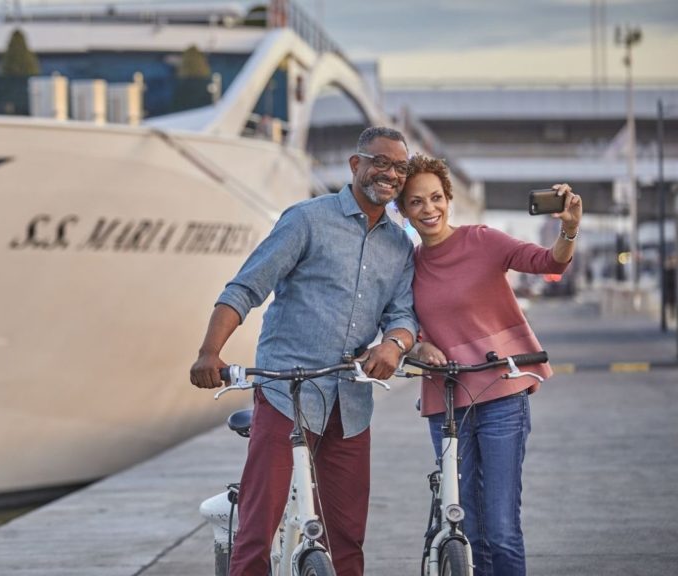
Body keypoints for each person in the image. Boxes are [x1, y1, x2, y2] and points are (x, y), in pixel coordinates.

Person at [189, 126, 418, 576]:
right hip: (285, 395)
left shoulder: (399, 245)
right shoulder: (306, 219)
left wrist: (394, 344)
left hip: (351, 402)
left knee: (348, 538)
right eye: (380, 162)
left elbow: (404, 315)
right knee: (257, 530)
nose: (390, 173)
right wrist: (209, 351)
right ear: (356, 165)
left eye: (400, 167)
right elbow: (246, 287)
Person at [396, 154, 582, 576]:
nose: (429, 209)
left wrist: (568, 227)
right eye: (416, 202)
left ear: (449, 198)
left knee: (500, 529)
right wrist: (418, 349)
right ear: (402, 209)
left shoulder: (481, 240)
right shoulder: (406, 265)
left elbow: (549, 264)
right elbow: (398, 324)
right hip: (446, 403)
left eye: (436, 198)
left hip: (502, 397)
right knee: (466, 527)